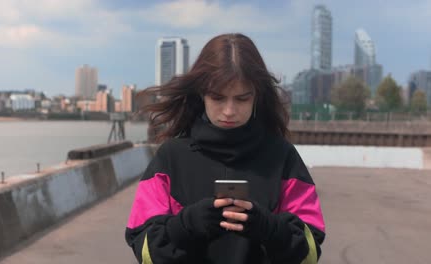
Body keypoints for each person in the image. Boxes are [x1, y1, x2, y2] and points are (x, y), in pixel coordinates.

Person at [125, 33, 325, 264]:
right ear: (202, 94)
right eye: (218, 98)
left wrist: (269, 228)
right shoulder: (170, 157)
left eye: (241, 99)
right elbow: (144, 250)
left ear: (256, 97)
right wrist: (187, 225)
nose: (229, 111)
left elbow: (310, 252)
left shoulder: (283, 157)